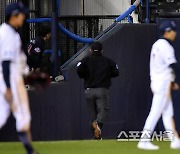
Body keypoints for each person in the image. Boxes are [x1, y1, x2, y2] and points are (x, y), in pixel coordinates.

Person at [0, 2, 38, 154]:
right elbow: (6, 63)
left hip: (5, 77)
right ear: (14, 15)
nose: (24, 16)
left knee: (1, 115)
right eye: (22, 14)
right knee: (23, 115)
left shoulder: (4, 31)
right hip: (10, 79)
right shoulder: (9, 34)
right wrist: (9, 87)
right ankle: (30, 151)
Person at [138, 21, 180, 150]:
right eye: (173, 31)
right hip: (162, 82)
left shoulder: (158, 44)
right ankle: (144, 140)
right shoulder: (164, 45)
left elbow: (164, 67)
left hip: (160, 80)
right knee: (156, 112)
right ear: (167, 31)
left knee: (167, 113)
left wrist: (172, 82)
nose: (175, 33)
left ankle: (175, 141)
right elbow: (172, 65)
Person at [77, 41, 119, 139]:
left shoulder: (85, 60)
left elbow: (78, 70)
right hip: (102, 90)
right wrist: (107, 75)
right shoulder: (107, 61)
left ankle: (96, 137)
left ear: (90, 50)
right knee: (103, 110)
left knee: (93, 115)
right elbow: (116, 72)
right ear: (102, 50)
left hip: (89, 90)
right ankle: (98, 125)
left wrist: (85, 76)